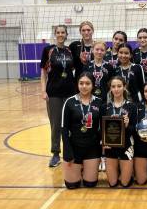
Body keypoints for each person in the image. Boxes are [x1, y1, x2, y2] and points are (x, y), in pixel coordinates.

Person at [40, 25, 75, 167]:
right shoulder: (48, 50)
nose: (60, 34)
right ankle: (55, 153)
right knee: (55, 125)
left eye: (63, 32)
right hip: (53, 93)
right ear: (55, 34)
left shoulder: (70, 50)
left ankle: (71, 151)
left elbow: (74, 69)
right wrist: (43, 91)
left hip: (70, 92)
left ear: (66, 35)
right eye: (58, 32)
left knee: (71, 124)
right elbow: (43, 73)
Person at [61, 72, 102, 189]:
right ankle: (78, 168)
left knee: (90, 184)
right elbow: (63, 129)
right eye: (81, 83)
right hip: (74, 148)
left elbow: (103, 127)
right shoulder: (69, 102)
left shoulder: (99, 102)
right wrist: (67, 152)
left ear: (93, 85)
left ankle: (86, 168)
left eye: (88, 83)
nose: (84, 86)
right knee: (72, 185)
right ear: (77, 84)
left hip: (92, 148)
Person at [101, 76, 137, 187]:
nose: (116, 89)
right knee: (112, 183)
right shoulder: (104, 107)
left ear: (124, 87)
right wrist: (102, 143)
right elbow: (100, 129)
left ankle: (128, 171)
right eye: (113, 86)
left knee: (125, 183)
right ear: (110, 89)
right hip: (110, 147)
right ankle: (122, 170)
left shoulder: (132, 106)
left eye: (119, 86)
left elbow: (135, 130)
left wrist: (127, 125)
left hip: (126, 146)